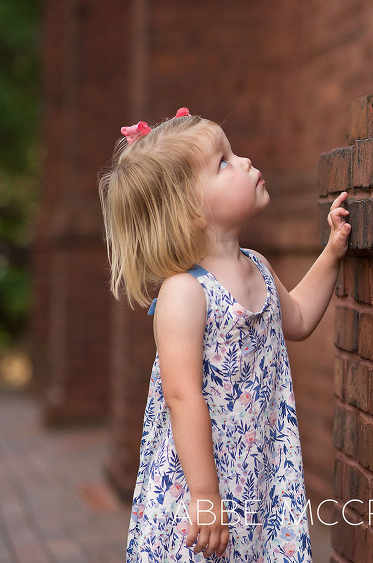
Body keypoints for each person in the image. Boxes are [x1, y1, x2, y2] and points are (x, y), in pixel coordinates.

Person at [98, 108, 351, 562]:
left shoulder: (256, 265)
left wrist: (332, 252)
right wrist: (204, 495)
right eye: (223, 162)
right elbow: (181, 395)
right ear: (191, 211)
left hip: (258, 472)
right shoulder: (185, 292)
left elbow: (297, 319)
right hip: (200, 484)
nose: (245, 161)